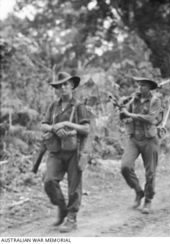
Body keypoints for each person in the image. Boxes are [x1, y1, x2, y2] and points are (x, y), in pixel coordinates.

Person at [41, 72, 90, 233]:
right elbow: (44, 125)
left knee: (74, 186)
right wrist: (54, 127)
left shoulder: (79, 106)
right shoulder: (53, 106)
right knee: (49, 180)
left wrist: (67, 124)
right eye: (59, 86)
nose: (62, 88)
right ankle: (62, 208)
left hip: (74, 150)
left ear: (72, 86)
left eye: (65, 84)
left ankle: (72, 218)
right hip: (55, 150)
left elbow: (86, 128)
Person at [119, 77, 162, 214]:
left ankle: (148, 200)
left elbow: (150, 118)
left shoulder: (155, 101)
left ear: (149, 87)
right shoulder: (134, 99)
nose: (140, 87)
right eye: (139, 85)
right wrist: (122, 108)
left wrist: (129, 113)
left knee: (150, 173)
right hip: (134, 138)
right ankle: (138, 191)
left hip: (150, 139)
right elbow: (124, 116)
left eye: (143, 85)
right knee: (125, 166)